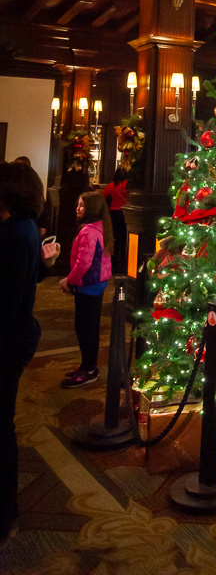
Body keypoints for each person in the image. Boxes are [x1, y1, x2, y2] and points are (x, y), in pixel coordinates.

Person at [0, 162, 52, 545]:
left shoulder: (16, 234)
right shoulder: (23, 231)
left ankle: (4, 515)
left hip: (8, 342)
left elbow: (8, 298)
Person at [59, 191, 113, 388]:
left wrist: (70, 282)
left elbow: (83, 263)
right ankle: (87, 365)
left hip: (88, 285)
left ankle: (89, 369)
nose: (77, 208)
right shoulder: (100, 227)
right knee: (89, 328)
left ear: (91, 208)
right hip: (96, 284)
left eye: (81, 205)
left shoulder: (89, 231)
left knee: (85, 329)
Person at [102, 168, 128, 275]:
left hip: (113, 214)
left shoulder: (111, 185)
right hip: (125, 214)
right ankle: (123, 265)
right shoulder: (127, 185)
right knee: (124, 240)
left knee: (114, 239)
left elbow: (103, 196)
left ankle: (113, 265)